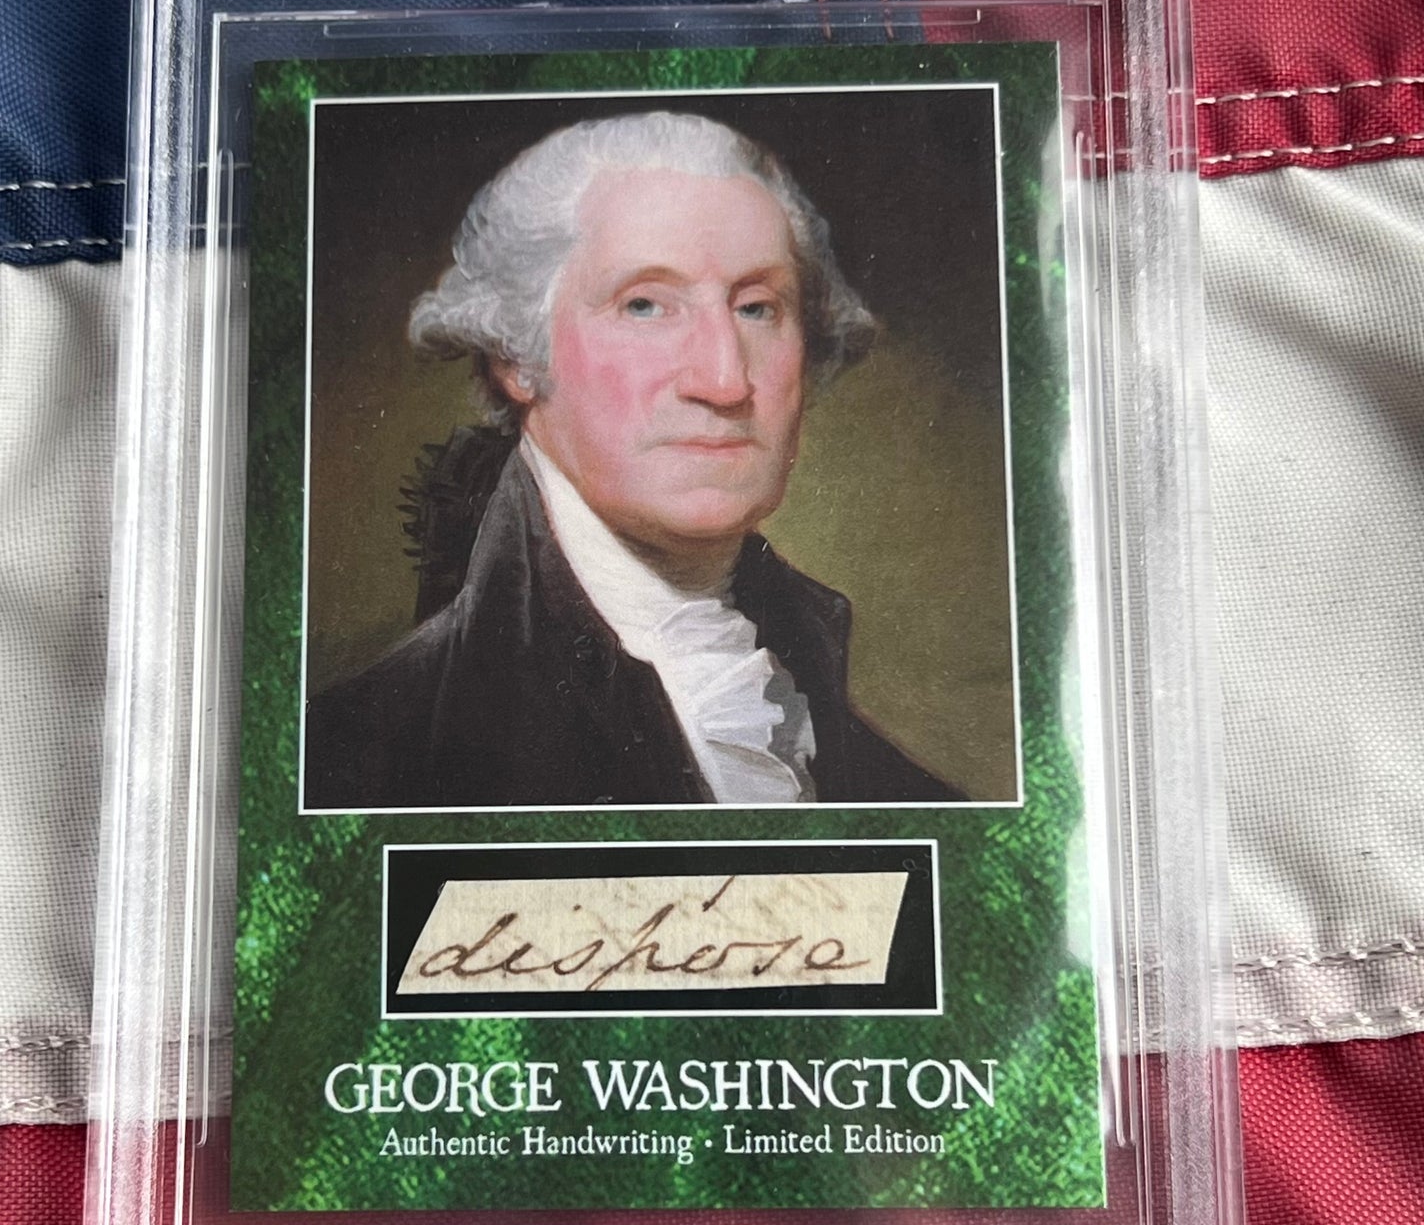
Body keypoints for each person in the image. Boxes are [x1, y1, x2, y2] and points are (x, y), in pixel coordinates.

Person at [303, 111, 964, 808]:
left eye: (757, 308)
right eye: (645, 305)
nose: (724, 381)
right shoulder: (354, 759)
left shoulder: (896, 785)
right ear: (518, 355)